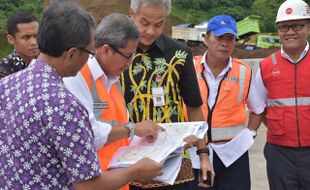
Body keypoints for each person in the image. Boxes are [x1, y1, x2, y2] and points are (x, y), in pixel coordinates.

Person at [0, 1, 163, 190]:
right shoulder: (63, 104)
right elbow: (88, 185)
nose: (90, 58)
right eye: (89, 51)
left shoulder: (6, 85)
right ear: (72, 54)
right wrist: (135, 171)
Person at [63, 13, 164, 190]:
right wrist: (133, 128)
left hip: (118, 182)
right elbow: (87, 133)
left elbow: (123, 135)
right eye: (127, 56)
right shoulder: (78, 77)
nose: (130, 63)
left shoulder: (114, 81)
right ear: (105, 49)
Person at [121, 0, 212, 189]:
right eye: (144, 23)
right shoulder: (118, 52)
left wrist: (204, 155)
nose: (151, 31)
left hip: (175, 161)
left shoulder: (179, 54)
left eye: (159, 24)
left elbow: (194, 106)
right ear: (131, 14)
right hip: (128, 160)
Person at [190, 15, 264, 190]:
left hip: (233, 156)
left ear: (235, 42)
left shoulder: (244, 72)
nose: (224, 43)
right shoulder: (189, 69)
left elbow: (258, 109)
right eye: (219, 37)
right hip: (196, 155)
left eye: (230, 38)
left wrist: (250, 134)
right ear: (206, 39)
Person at [256, 0, 310, 189]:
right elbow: (257, 107)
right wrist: (279, 128)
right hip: (279, 153)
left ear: (308, 27)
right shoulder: (266, 66)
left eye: (297, 25)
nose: (290, 32)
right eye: (284, 27)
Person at [0, 11, 39, 78]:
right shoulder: (3, 69)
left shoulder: (47, 64)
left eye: (36, 36)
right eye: (26, 37)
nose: (34, 42)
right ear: (11, 39)